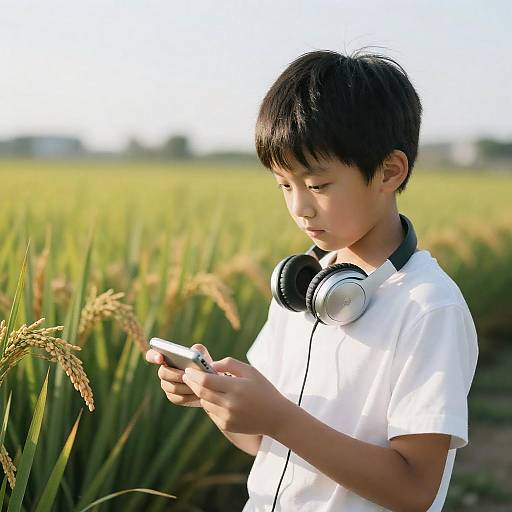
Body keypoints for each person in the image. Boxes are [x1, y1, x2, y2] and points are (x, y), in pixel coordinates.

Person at [146, 48, 479, 511]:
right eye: (285, 184)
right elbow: (265, 445)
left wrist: (280, 419)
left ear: (389, 171)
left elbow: (414, 490)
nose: (300, 207)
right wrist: (217, 400)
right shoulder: (303, 287)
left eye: (318, 185)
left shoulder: (428, 307)